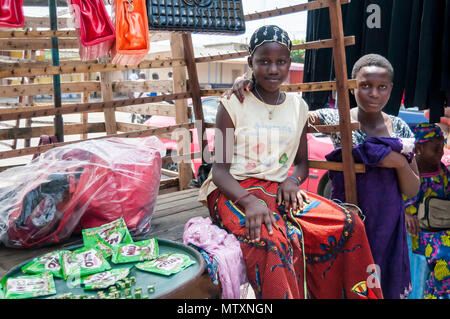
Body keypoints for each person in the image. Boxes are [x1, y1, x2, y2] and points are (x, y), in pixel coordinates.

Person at [199, 25, 382, 299]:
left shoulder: (299, 107)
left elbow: (301, 164)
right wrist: (249, 201)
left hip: (277, 188)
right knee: (271, 239)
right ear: (251, 63)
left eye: (280, 62)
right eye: (264, 61)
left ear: (289, 63)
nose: (273, 69)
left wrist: (292, 180)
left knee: (350, 224)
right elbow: (220, 171)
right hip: (233, 190)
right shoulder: (232, 103)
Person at [226, 53, 420, 299]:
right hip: (348, 221)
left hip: (388, 226)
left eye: (382, 87)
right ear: (351, 86)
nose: (374, 94)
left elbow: (413, 189)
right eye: (365, 86)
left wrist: (399, 165)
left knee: (384, 286)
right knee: (349, 286)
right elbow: (291, 113)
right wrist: (252, 86)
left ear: (391, 90)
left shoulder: (400, 128)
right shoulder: (337, 119)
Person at [404, 123, 450, 299]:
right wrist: (405, 213)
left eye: (442, 146)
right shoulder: (409, 173)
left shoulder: (443, 171)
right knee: (444, 254)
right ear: (419, 149)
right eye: (436, 148)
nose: (440, 152)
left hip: (441, 227)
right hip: (419, 232)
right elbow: (394, 199)